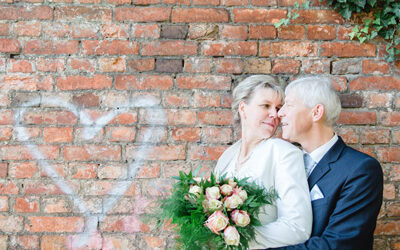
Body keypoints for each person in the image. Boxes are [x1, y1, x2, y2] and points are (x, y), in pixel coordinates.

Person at [271, 76, 383, 249]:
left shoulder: (361, 170)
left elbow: (338, 244)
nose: (280, 113)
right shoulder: (286, 163)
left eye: (289, 105)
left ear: (316, 112)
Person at [214, 75, 312, 248]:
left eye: (278, 108)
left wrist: (235, 236)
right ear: (243, 109)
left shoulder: (283, 153)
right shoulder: (227, 158)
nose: (275, 114)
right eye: (265, 106)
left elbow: (297, 228)